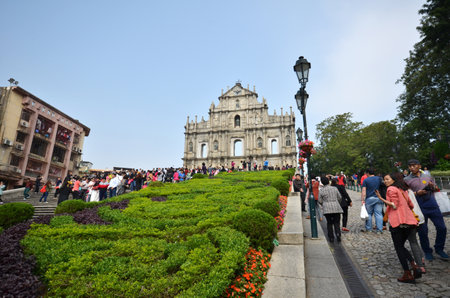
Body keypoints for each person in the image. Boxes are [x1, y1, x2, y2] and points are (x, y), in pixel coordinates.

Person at [404, 159, 448, 260]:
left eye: (414, 165)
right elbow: (406, 194)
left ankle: (439, 248)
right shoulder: (407, 180)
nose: (411, 167)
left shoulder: (427, 176)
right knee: (423, 231)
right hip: (419, 208)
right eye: (410, 166)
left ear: (419, 166)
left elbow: (437, 188)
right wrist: (416, 193)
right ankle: (427, 251)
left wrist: (434, 186)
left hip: (433, 205)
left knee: (442, 228)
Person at [381, 172, 420, 283]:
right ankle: (414, 265)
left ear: (393, 180)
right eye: (384, 179)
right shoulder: (402, 190)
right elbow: (411, 205)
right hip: (409, 221)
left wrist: (381, 198)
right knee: (401, 246)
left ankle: (407, 273)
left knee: (399, 247)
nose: (385, 181)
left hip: (397, 222)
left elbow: (394, 204)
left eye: (387, 179)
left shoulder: (391, 189)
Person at [318, 176, 343, 242]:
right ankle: (338, 234)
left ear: (322, 183)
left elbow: (319, 200)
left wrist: (324, 204)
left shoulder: (322, 190)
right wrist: (336, 202)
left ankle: (331, 237)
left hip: (327, 208)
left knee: (329, 223)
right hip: (336, 207)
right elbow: (339, 197)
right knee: (336, 222)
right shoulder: (334, 188)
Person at [361, 168, 383, 233]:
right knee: (378, 214)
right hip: (379, 198)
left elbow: (364, 191)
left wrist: (362, 200)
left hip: (369, 198)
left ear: (367, 173)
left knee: (369, 214)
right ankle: (379, 229)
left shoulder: (366, 180)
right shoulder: (379, 179)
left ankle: (369, 229)